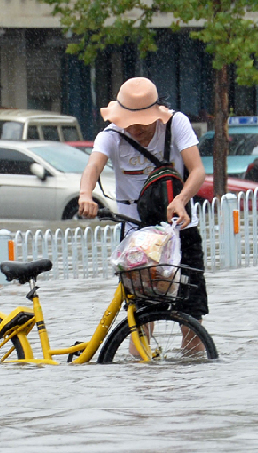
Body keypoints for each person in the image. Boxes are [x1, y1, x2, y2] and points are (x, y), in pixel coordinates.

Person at [78, 77, 209, 324]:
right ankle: (139, 363)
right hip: (137, 236)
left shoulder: (176, 123)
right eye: (129, 123)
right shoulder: (111, 135)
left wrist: (181, 199)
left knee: (191, 314)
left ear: (156, 114)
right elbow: (93, 166)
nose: (135, 130)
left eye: (142, 124)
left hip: (180, 229)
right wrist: (85, 194)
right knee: (140, 319)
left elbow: (198, 170)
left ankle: (192, 362)